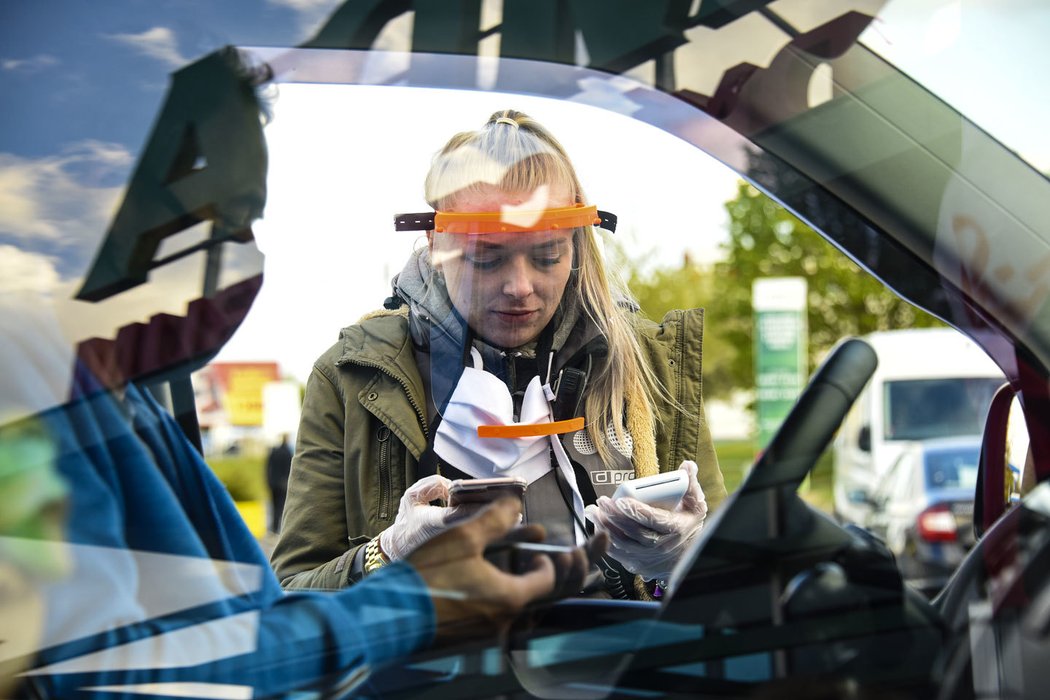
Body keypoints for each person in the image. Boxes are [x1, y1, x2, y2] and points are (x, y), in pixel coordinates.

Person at [0, 300, 600, 698]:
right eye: (226, 219)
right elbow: (105, 676)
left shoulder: (123, 393)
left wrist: (647, 566)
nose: (247, 254)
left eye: (548, 253)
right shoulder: (28, 381)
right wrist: (403, 583)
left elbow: (244, 624)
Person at [271, 109, 727, 600]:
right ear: (434, 240)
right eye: (485, 257)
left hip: (610, 670)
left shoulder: (654, 365)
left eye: (548, 255)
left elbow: (743, 586)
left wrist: (685, 558)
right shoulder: (353, 377)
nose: (520, 287)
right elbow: (292, 597)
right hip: (429, 676)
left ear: (576, 245)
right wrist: (389, 552)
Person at [266, 433, 293, 533]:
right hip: (283, 484)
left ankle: (274, 528)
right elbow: (290, 469)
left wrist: (269, 481)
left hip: (273, 483)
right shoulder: (288, 453)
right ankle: (280, 529)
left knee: (273, 506)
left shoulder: (274, 451)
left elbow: (268, 467)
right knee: (281, 507)